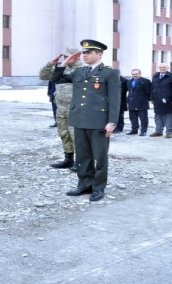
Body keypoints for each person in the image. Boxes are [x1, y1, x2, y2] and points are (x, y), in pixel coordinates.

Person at [50, 39, 120, 202]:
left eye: (88, 53)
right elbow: (56, 79)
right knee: (82, 156)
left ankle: (98, 188)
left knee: (100, 157)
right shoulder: (80, 72)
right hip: (79, 119)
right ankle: (84, 185)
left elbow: (115, 99)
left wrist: (112, 122)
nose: (85, 55)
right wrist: (63, 63)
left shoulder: (109, 72)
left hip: (99, 121)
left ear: (99, 54)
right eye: (84, 53)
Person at [39, 46, 82, 170]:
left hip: (75, 110)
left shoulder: (81, 70)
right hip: (61, 108)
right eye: (64, 56)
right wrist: (50, 64)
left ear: (77, 56)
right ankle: (68, 159)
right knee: (64, 134)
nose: (66, 58)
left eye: (69, 56)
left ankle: (81, 162)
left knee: (77, 137)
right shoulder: (60, 68)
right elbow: (42, 76)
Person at [150, 63, 172, 138]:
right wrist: (151, 98)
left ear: (167, 68)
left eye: (164, 67)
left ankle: (169, 131)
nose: (162, 68)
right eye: (160, 67)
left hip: (168, 99)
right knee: (158, 115)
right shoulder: (155, 76)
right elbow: (152, 88)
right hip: (157, 98)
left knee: (169, 115)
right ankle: (159, 131)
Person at [126, 69, 152, 136]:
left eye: (136, 74)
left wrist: (149, 99)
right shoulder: (129, 81)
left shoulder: (146, 81)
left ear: (140, 74)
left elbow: (149, 92)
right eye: (133, 74)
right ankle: (134, 130)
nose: (135, 75)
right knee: (132, 118)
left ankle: (143, 131)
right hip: (131, 102)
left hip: (142, 102)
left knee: (143, 118)